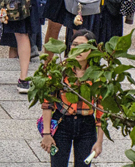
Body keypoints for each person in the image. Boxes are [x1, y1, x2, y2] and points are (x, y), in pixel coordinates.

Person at [39, 29, 105, 167]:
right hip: (62, 122)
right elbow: (47, 103)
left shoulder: (98, 74)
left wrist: (99, 141)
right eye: (75, 45)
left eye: (83, 46)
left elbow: (101, 110)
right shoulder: (60, 70)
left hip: (87, 125)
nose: (78, 49)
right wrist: (46, 133)